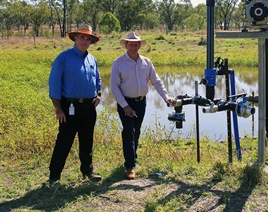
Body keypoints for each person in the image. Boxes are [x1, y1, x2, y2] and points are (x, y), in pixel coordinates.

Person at [111, 32, 175, 180]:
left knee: (136, 131)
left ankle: (133, 158)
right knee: (128, 131)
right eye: (130, 44)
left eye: (136, 44)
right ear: (126, 45)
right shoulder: (118, 63)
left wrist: (166, 97)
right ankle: (130, 166)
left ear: (140, 46)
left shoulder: (146, 62)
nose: (133, 47)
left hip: (141, 102)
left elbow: (156, 81)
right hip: (125, 103)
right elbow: (114, 87)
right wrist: (125, 106)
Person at [48, 24, 103, 186]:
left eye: (88, 39)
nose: (85, 41)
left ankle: (88, 171)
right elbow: (54, 83)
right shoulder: (63, 58)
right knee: (64, 141)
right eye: (82, 37)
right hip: (69, 107)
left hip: (88, 107)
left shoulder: (92, 59)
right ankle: (54, 177)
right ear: (75, 38)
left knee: (87, 141)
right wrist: (58, 108)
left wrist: (98, 94)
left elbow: (98, 80)